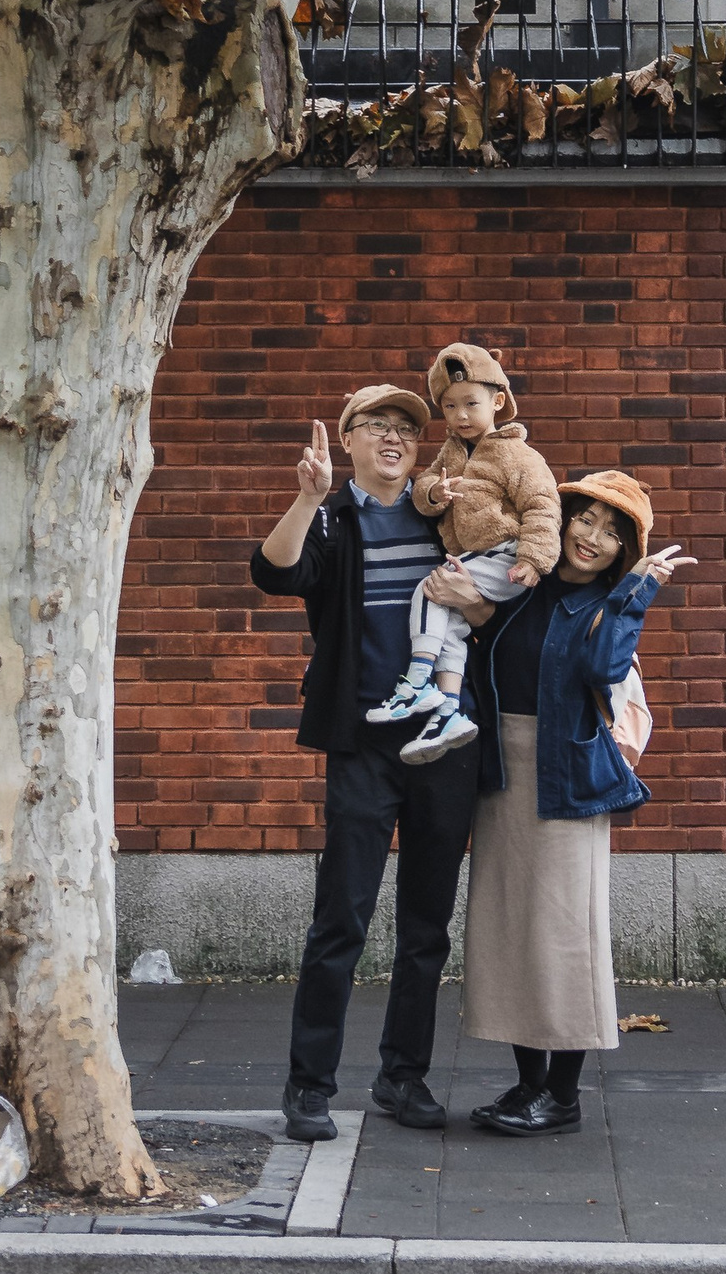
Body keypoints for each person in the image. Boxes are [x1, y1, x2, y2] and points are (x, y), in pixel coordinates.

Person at [250, 382, 479, 1142]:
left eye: (405, 429)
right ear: (348, 441)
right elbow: (276, 574)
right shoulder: (332, 518)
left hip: (443, 741)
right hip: (364, 744)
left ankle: (401, 1077)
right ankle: (309, 1085)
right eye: (376, 425)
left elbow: (502, 591)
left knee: (426, 927)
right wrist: (304, 500)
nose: (393, 437)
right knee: (340, 917)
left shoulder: (443, 512)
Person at [454, 471, 692, 1136]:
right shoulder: (523, 584)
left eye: (612, 534)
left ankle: (561, 1096)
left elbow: (601, 671)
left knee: (565, 937)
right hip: (504, 772)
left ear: (623, 554)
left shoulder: (607, 608)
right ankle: (528, 1085)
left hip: (568, 778)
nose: (592, 538)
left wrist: (635, 596)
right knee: (512, 932)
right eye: (585, 519)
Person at [366, 341, 562, 764]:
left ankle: (418, 680)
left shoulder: (517, 454)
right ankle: (449, 711)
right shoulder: (451, 452)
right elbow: (421, 490)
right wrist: (435, 492)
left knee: (432, 589)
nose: (460, 416)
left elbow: (543, 505)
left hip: (506, 556)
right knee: (451, 624)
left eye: (471, 403)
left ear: (498, 401)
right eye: (450, 407)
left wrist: (533, 558)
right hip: (478, 560)